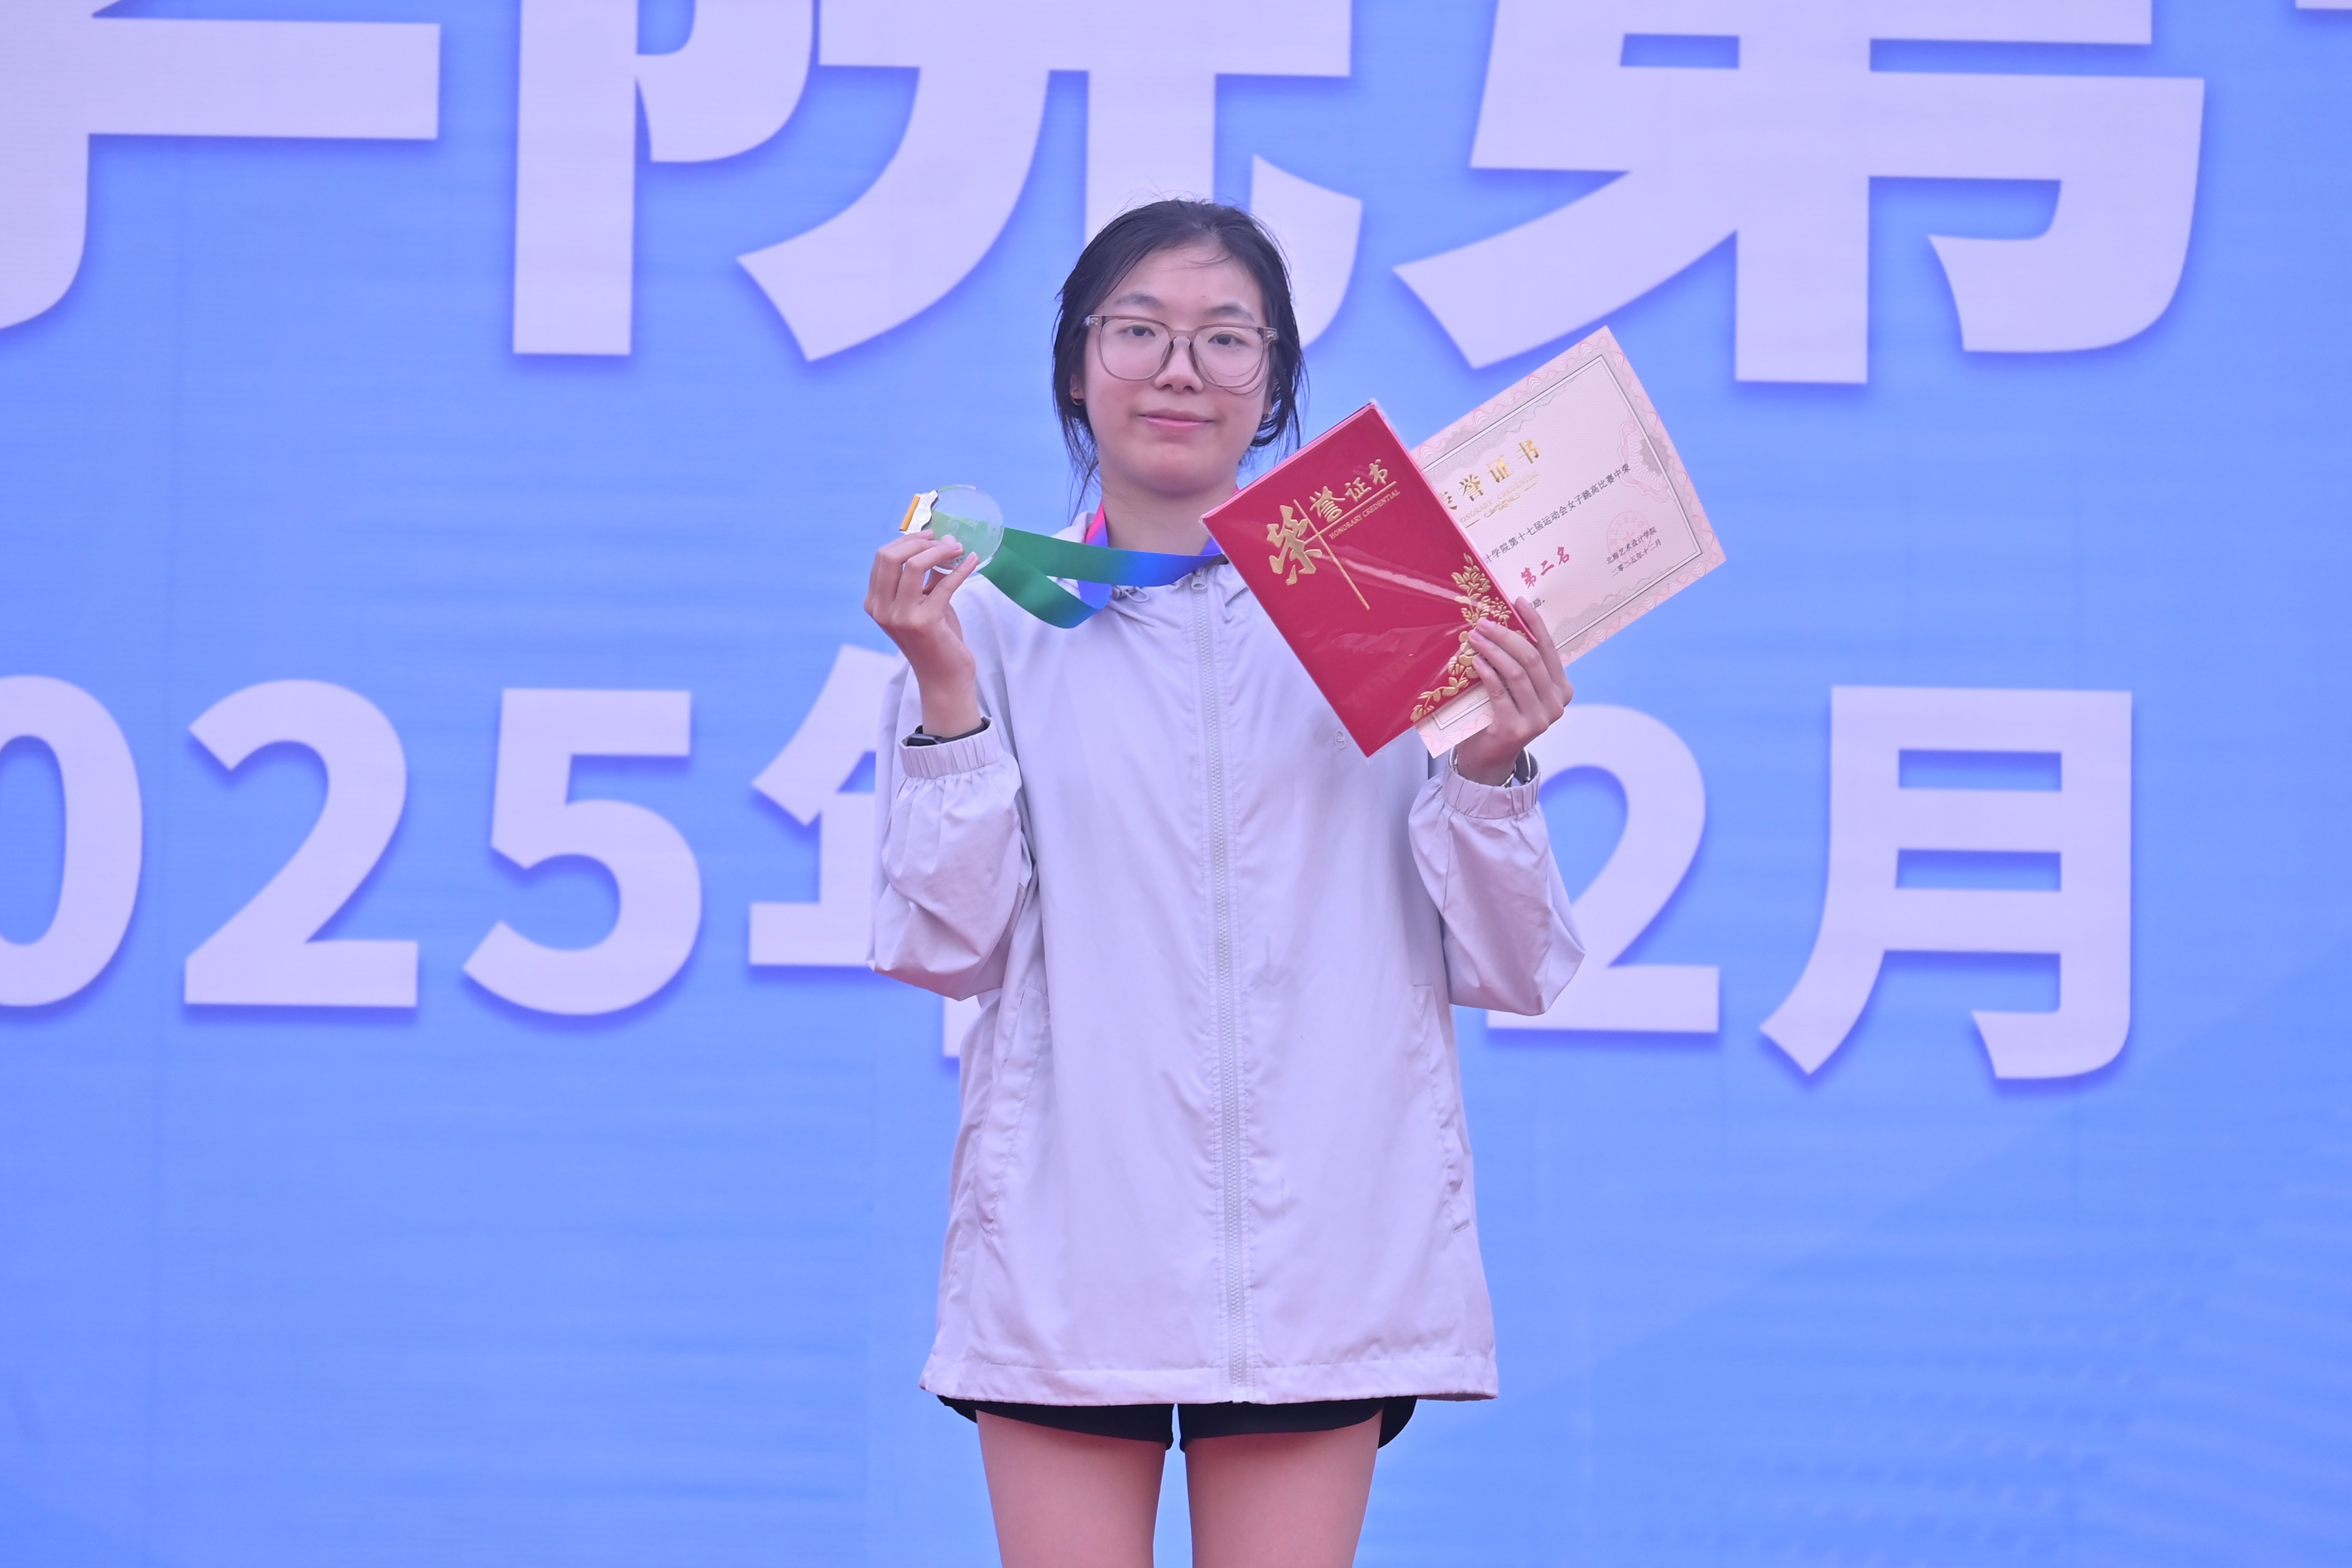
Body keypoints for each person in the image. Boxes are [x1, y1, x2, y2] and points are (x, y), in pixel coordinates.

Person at [863, 200, 1584, 1568]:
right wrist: (944, 691)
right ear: (1076, 366)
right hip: (1076, 1251)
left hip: (1326, 1246)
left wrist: (1492, 765)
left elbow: (1512, 960)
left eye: (1226, 338)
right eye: (1137, 331)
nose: (1179, 370)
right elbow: (947, 942)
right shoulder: (995, 617)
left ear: (1275, 381)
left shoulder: (1390, 598)